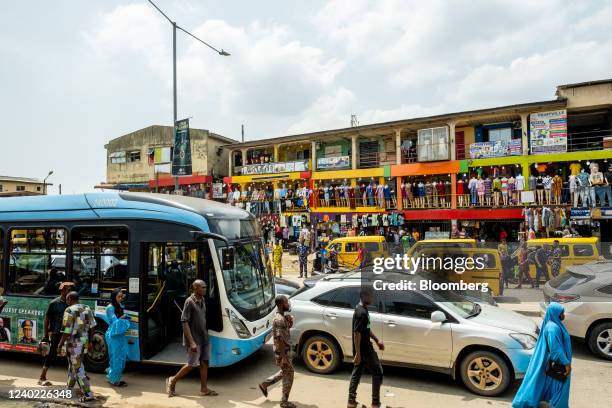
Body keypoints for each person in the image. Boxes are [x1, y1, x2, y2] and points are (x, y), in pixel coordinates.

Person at [512, 302, 572, 408]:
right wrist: (566, 363)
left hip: (554, 361)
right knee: (560, 385)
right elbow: (555, 349)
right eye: (562, 313)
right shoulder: (553, 328)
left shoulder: (552, 324)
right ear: (556, 313)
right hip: (559, 362)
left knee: (549, 383)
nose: (564, 315)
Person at [166, 280, 218, 397]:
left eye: (205, 287)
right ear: (195, 288)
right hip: (194, 339)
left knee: (204, 362)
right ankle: (172, 380)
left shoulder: (203, 300)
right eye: (202, 287)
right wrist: (192, 342)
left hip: (204, 337)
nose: (205, 289)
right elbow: (184, 322)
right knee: (192, 364)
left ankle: (204, 389)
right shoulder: (189, 302)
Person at [348, 286, 384, 408]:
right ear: (365, 296)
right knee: (378, 372)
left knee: (357, 373)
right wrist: (358, 354)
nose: (373, 298)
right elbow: (357, 333)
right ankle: (375, 403)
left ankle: (351, 402)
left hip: (362, 347)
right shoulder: (361, 313)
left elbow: (366, 329)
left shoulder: (363, 309)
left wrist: (377, 340)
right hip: (365, 349)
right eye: (371, 296)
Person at [57, 291, 96, 402]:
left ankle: (88, 393)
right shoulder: (87, 308)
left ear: (69, 299)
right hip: (84, 341)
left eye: (67, 299)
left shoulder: (69, 310)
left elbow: (67, 330)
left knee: (78, 368)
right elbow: (93, 326)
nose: (66, 301)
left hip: (73, 343)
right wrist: (91, 342)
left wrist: (60, 345)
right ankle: (68, 390)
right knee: (73, 366)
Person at [258, 295, 295, 408]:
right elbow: (280, 340)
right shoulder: (279, 320)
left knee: (285, 372)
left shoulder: (282, 317)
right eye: (286, 302)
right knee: (289, 374)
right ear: (280, 304)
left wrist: (290, 322)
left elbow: (285, 333)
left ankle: (265, 384)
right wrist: (284, 358)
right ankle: (284, 402)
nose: (288, 304)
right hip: (283, 352)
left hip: (285, 351)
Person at [38, 282, 74, 386]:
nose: (69, 292)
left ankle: (79, 374)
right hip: (56, 332)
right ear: (62, 291)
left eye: (70, 290)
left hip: (69, 333)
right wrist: (46, 334)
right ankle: (42, 376)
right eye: (68, 290)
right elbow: (47, 319)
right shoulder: (54, 303)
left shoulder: (72, 303)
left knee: (72, 353)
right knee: (51, 354)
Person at [105, 288, 131, 387]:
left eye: (121, 296)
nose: (120, 298)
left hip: (119, 335)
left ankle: (112, 375)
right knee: (116, 357)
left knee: (121, 357)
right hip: (113, 335)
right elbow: (114, 322)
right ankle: (114, 380)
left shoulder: (119, 305)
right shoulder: (110, 308)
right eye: (118, 296)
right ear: (114, 297)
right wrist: (122, 318)